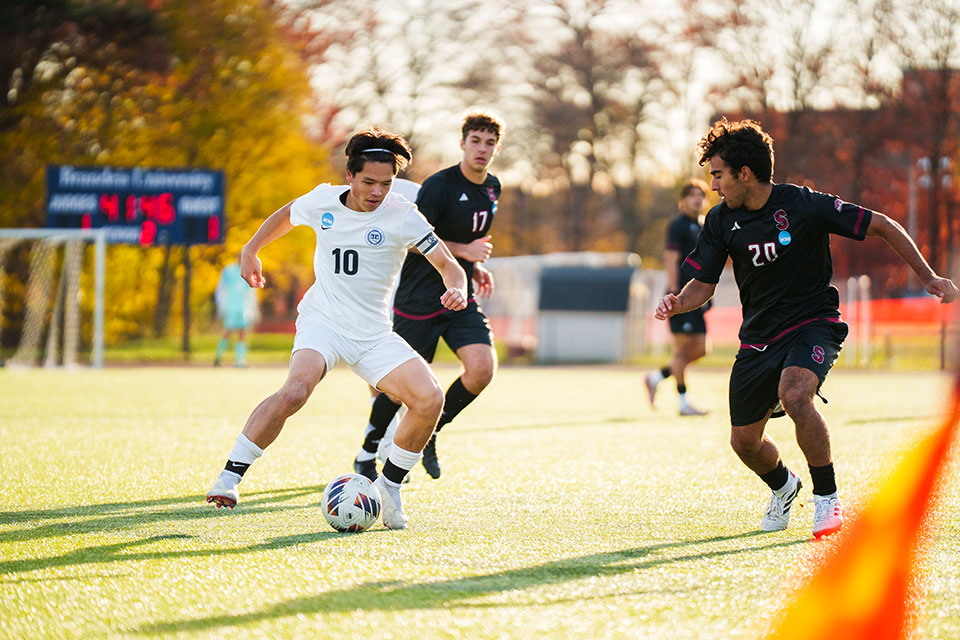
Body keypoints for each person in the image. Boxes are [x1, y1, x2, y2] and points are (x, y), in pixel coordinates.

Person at [655, 117, 958, 539]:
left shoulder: (803, 205)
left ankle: (828, 500)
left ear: (745, 174)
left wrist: (928, 278)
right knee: (743, 442)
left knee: (795, 394)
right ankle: (784, 485)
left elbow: (883, 225)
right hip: (758, 339)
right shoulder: (721, 221)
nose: (714, 186)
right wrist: (677, 302)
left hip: (813, 323)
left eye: (719, 175)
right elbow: (702, 286)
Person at [206, 126, 468, 530]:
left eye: (386, 182)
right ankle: (230, 477)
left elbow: (450, 266)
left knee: (429, 398)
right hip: (323, 322)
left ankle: (390, 487)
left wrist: (457, 288)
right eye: (369, 181)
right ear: (350, 176)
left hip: (374, 334)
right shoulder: (322, 201)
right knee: (296, 389)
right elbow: (285, 216)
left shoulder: (403, 214)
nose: (378, 191)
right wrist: (250, 250)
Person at [352, 112, 502, 482]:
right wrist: (465, 252)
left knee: (482, 369)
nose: (482, 149)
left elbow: (468, 244)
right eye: (476, 141)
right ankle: (367, 451)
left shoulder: (493, 187)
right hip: (420, 298)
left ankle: (432, 428)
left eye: (489, 142)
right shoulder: (438, 187)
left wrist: (474, 266)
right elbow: (415, 240)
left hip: (459, 295)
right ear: (462, 143)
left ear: (497, 148)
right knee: (399, 389)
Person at [645, 179, 711, 416]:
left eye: (700, 195)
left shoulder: (705, 225)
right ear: (683, 199)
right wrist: (673, 293)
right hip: (680, 297)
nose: (697, 199)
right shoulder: (677, 225)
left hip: (698, 297)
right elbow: (671, 258)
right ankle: (683, 403)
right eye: (692, 194)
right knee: (681, 352)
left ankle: (655, 377)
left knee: (702, 349)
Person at [213, 261, 259, 367]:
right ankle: (218, 357)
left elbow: (251, 292)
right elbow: (221, 289)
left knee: (242, 333)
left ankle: (240, 360)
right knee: (227, 332)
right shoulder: (228, 271)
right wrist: (221, 306)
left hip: (243, 308)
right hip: (231, 306)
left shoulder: (250, 270)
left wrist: (253, 308)